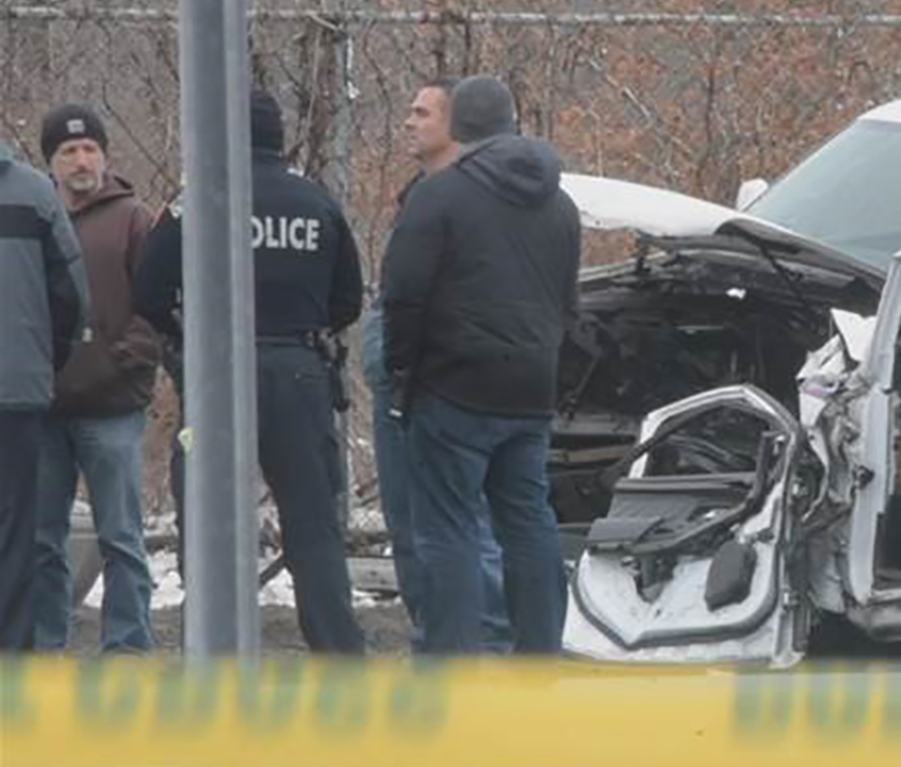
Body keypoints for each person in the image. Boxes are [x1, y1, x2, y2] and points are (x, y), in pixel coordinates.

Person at [135, 88, 366, 653]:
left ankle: (213, 657)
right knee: (314, 527)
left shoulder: (197, 202)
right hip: (298, 374)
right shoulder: (316, 202)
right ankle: (341, 662)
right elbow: (348, 300)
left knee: (210, 529)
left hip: (218, 374)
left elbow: (148, 289)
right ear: (278, 136)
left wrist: (187, 342)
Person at [383, 75, 580, 654]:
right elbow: (567, 303)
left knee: (447, 529)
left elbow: (404, 295)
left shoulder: (439, 195)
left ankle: (451, 664)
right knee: (529, 522)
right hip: (531, 390)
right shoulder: (560, 203)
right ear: (512, 122)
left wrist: (403, 374)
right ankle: (538, 657)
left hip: (454, 388)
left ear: (459, 127)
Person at [360, 76, 511, 652]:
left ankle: (488, 639)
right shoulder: (414, 196)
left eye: (422, 112)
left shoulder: (469, 198)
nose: (409, 121)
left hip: (441, 383)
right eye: (410, 110)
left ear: (456, 125)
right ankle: (432, 631)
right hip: (395, 377)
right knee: (408, 524)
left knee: (463, 521)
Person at [30, 105, 160, 653]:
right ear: (51, 163)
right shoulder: (33, 218)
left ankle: (128, 647)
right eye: (68, 152)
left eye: (89, 150)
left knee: (121, 536)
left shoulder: (135, 219)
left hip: (113, 407)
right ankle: (43, 647)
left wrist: (121, 357)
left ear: (105, 156)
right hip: (45, 407)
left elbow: (158, 304)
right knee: (41, 538)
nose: (81, 160)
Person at [0, 137, 90, 652]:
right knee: (15, 531)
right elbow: (72, 298)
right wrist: (44, 358)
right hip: (18, 393)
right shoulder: (36, 194)